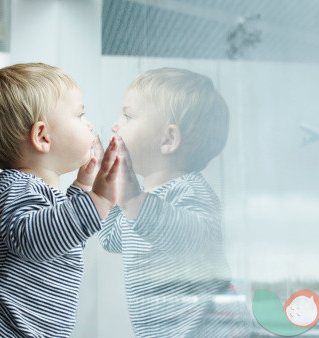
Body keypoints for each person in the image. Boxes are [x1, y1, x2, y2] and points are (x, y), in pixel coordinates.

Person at [0, 63, 120, 337]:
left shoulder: (41, 195)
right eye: (80, 114)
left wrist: (83, 186)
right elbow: (34, 238)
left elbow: (60, 240)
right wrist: (97, 201)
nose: (90, 124)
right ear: (42, 136)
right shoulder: (16, 187)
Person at [99, 68, 247, 337]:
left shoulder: (191, 191)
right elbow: (110, 239)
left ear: (168, 139)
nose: (115, 125)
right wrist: (110, 193)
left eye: (128, 116)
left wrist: (133, 200)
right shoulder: (140, 202)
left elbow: (190, 240)